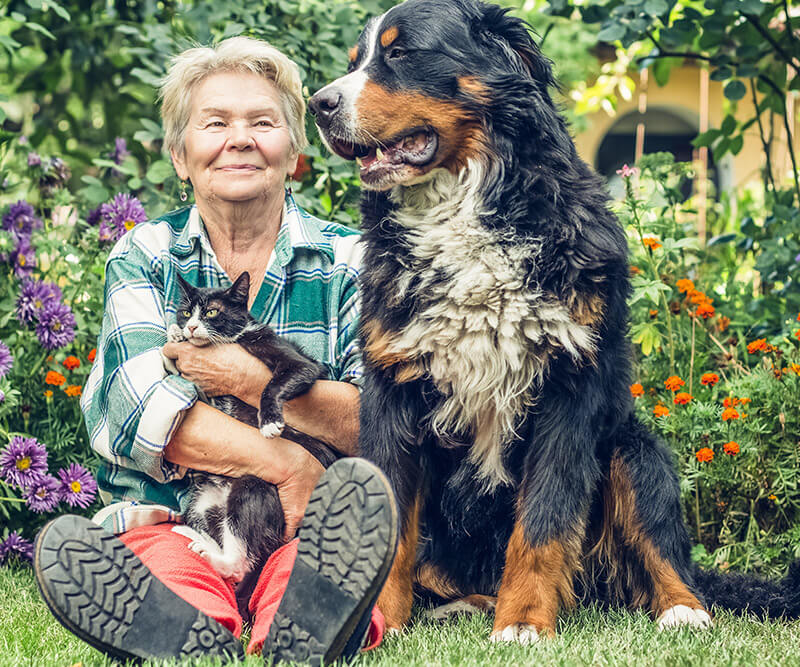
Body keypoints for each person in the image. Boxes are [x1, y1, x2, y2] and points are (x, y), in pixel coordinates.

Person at [33, 36, 397, 665]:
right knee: (169, 564)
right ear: (180, 156)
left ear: (295, 150)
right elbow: (143, 408)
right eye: (215, 123)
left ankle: (300, 631)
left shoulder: (352, 261)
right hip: (181, 520)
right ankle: (192, 635)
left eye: (263, 122)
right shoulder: (144, 253)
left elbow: (381, 420)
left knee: (314, 568)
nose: (241, 138)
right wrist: (284, 463)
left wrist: (250, 380)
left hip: (303, 526)